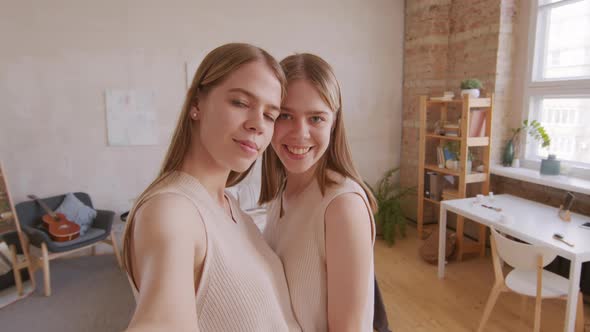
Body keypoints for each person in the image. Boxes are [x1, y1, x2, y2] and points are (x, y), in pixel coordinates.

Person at [122, 43, 301, 332]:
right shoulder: (172, 211)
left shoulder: (229, 205)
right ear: (196, 105)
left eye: (270, 115)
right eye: (241, 103)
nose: (257, 124)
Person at [260, 53, 377, 331]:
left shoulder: (342, 207)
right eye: (286, 115)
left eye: (316, 118)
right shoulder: (283, 191)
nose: (300, 133)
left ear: (334, 123)